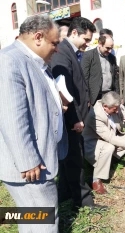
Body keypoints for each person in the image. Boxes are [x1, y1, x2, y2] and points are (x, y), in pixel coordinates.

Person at [0, 15, 67, 232]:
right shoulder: (10, 61)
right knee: (44, 221)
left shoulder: (35, 61)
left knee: (31, 220)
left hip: (38, 161)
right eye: (54, 43)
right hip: (30, 168)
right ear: (38, 37)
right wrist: (28, 160)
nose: (57, 49)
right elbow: (11, 117)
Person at [51, 17, 97, 210]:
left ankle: (64, 193)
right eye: (86, 39)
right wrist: (75, 119)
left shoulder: (71, 51)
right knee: (75, 160)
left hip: (74, 117)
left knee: (67, 160)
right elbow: (63, 91)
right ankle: (83, 201)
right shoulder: (62, 53)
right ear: (75, 33)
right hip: (71, 120)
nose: (87, 44)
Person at [83, 92, 125, 194]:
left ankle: (109, 160)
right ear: (105, 106)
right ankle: (96, 179)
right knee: (109, 148)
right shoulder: (95, 115)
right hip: (94, 142)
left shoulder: (117, 107)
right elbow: (110, 138)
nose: (118, 111)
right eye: (115, 109)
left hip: (110, 138)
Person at [81, 35, 119, 106]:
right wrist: (86, 98)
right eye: (107, 48)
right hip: (95, 96)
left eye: (111, 48)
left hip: (109, 95)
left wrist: (117, 95)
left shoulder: (112, 58)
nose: (109, 51)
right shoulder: (88, 56)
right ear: (100, 44)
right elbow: (84, 78)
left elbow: (115, 78)